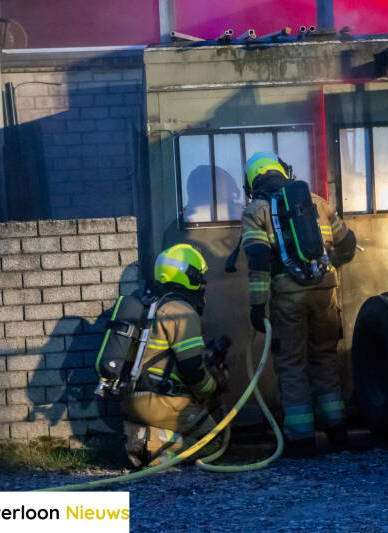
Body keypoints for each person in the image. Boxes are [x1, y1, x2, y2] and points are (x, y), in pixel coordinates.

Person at [241, 152, 357, 457]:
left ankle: (302, 440)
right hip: (324, 294)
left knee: (292, 365)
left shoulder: (256, 210)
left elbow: (258, 258)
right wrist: (328, 269)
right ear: (283, 171)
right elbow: (347, 244)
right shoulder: (317, 201)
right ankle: (338, 433)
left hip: (288, 298)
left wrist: (257, 304)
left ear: (252, 181)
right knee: (324, 359)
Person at [120, 244, 230, 468]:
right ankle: (150, 443)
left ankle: (150, 433)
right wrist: (213, 388)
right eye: (200, 277)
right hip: (159, 400)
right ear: (188, 275)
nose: (202, 284)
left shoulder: (150, 303)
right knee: (214, 441)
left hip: (131, 397)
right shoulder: (181, 311)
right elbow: (193, 372)